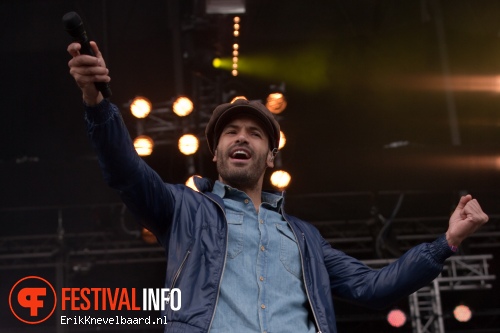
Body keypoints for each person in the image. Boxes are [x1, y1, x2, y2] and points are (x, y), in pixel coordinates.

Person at [67, 41, 490, 333]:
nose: (241, 137)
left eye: (254, 133)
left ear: (270, 156)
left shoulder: (306, 238)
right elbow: (125, 170)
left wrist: (447, 241)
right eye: (230, 132)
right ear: (215, 155)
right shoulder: (184, 209)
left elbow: (372, 288)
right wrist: (96, 100)